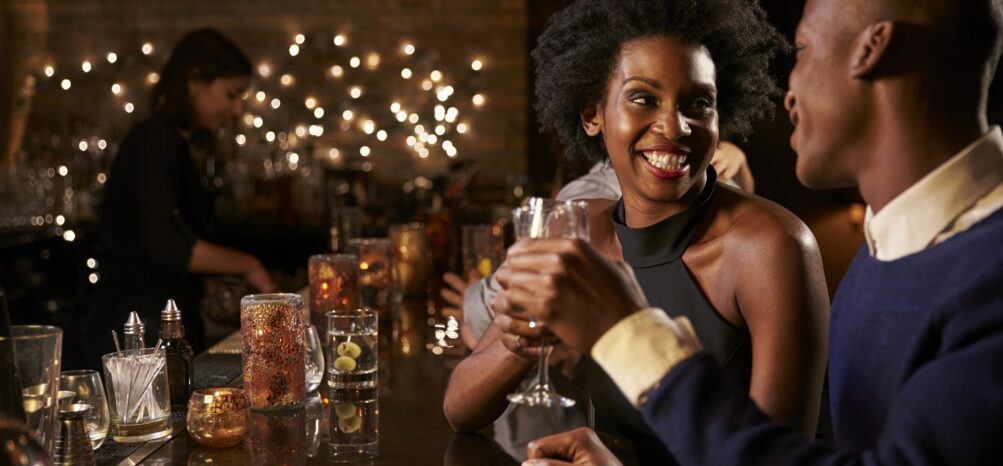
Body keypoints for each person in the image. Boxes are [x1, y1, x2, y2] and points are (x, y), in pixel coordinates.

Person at [509, 0, 1003, 464]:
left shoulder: (987, 282)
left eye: (803, 51)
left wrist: (629, 335)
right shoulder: (888, 251)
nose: (788, 93)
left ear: (871, 49)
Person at [443, 1, 831, 464]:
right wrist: (526, 337)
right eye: (643, 98)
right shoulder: (578, 225)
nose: (674, 126)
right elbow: (460, 410)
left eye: (699, 103)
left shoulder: (772, 246)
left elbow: (778, 462)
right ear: (593, 115)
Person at [92, 28, 275, 367]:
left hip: (161, 325)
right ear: (193, 81)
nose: (237, 109)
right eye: (231, 94)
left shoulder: (179, 142)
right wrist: (249, 265)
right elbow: (163, 245)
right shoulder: (154, 142)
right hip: (138, 336)